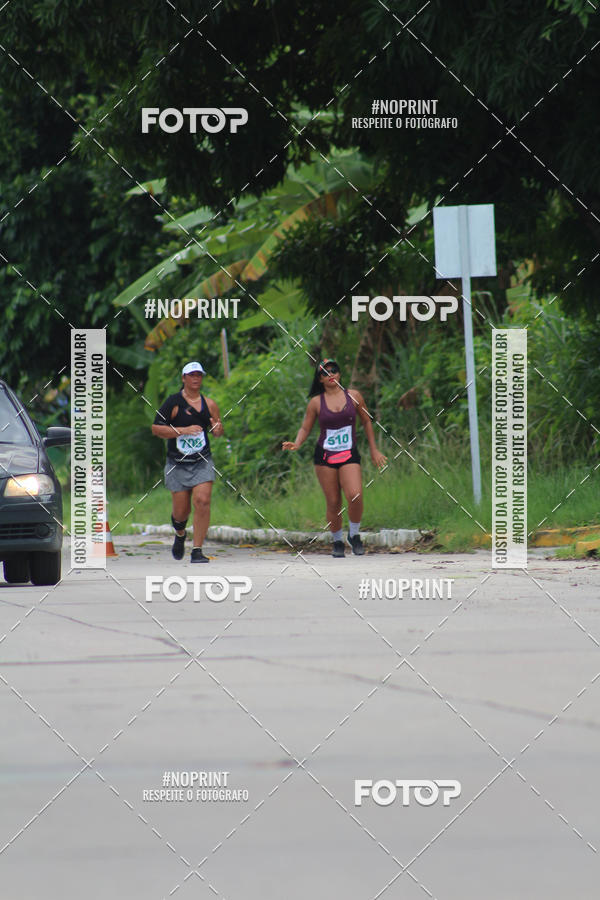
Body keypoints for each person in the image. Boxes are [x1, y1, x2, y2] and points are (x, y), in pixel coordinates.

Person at [282, 358, 387, 557]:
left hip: (349, 454)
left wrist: (374, 450)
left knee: (355, 494)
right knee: (333, 501)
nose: (330, 375)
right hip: (325, 456)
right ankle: (337, 541)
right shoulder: (316, 403)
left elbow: (366, 422)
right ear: (319, 379)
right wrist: (297, 443)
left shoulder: (354, 396)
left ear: (339, 374)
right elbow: (306, 427)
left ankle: (354, 535)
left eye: (334, 370)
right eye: (325, 372)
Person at [152, 361, 224, 563]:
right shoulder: (173, 403)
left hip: (202, 461)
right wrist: (182, 431)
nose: (195, 378)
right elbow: (156, 429)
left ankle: (197, 550)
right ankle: (180, 533)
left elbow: (217, 429)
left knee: (202, 501)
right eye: (191, 375)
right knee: (181, 512)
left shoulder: (209, 404)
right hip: (177, 463)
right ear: (183, 378)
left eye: (199, 375)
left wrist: (218, 430)